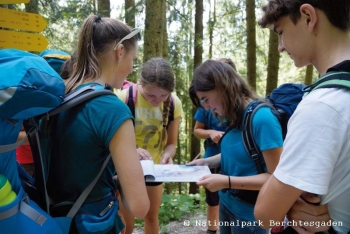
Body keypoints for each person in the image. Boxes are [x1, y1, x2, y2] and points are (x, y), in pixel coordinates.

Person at [46, 15, 150, 233]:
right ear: (120, 51)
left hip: (55, 218)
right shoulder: (111, 109)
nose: (131, 68)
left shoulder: (60, 94)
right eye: (133, 58)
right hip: (94, 223)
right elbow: (140, 207)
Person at [254, 1, 350, 233]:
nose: (281, 47)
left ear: (308, 17)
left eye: (281, 32)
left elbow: (266, 215)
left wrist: (289, 205)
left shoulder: (323, 105)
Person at [188, 59, 283, 234]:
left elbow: (276, 178)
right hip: (227, 204)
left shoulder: (262, 119)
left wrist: (226, 181)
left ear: (223, 86)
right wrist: (204, 162)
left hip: (251, 216)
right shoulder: (231, 116)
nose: (208, 108)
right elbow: (238, 155)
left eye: (207, 99)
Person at [116, 57, 183, 234]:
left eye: (163, 96)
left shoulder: (174, 103)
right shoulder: (125, 98)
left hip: (154, 169)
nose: (156, 100)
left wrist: (168, 154)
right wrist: (133, 151)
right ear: (140, 83)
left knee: (151, 218)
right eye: (150, 95)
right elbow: (112, 140)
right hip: (126, 169)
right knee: (126, 222)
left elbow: (171, 144)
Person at [190, 58, 235, 234]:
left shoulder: (243, 110)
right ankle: (212, 229)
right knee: (213, 198)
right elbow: (197, 131)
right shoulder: (205, 106)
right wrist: (210, 133)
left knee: (229, 196)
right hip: (212, 157)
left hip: (232, 162)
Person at [16, 49, 71, 176]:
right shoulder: (28, 99)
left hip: (51, 159)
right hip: (29, 161)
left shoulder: (67, 99)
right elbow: (14, 133)